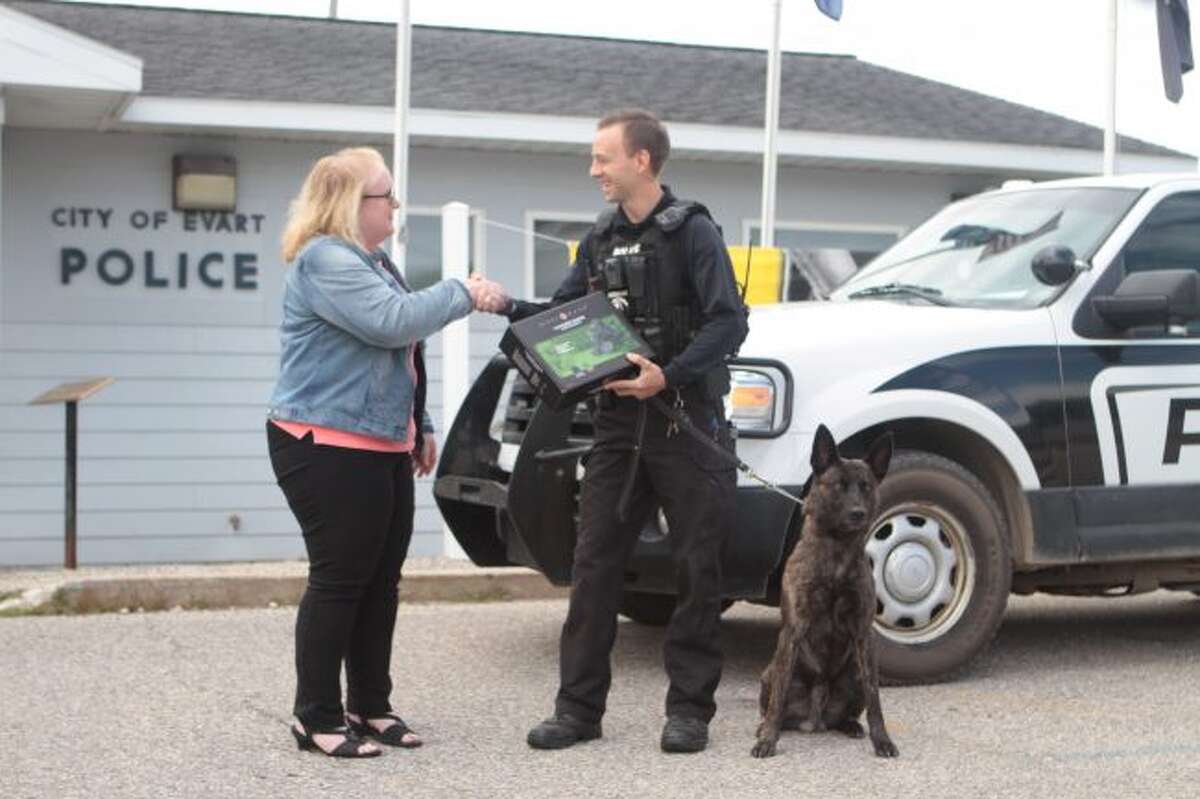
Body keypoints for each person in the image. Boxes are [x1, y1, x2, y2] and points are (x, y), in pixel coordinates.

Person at [503, 109, 749, 753]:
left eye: (602, 158)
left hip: (683, 422)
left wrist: (666, 376)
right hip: (616, 427)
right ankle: (577, 711)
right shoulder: (602, 235)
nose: (594, 170)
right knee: (594, 568)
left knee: (698, 568)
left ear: (641, 161)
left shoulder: (693, 231)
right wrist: (506, 306)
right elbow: (562, 315)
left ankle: (689, 712)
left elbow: (730, 322)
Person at [266, 146, 507, 758]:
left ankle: (370, 706)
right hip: (324, 444)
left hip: (380, 441)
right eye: (387, 195)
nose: (395, 206)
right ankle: (314, 715)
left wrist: (417, 423)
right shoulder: (326, 260)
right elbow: (394, 324)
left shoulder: (373, 261)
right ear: (353, 203)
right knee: (341, 579)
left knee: (381, 582)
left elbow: (396, 357)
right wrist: (463, 291)